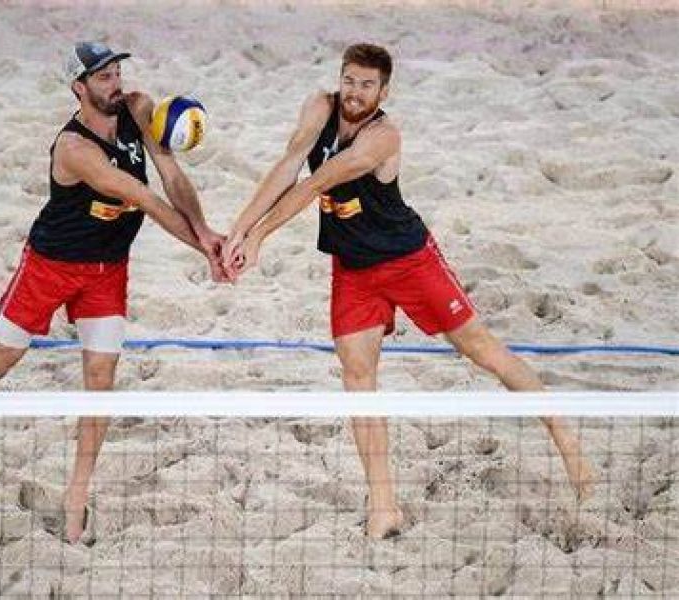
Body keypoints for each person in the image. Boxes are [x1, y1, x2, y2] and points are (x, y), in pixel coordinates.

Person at [222, 43, 596, 539]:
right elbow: (290, 163)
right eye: (349, 81)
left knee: (481, 349)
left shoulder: (383, 136)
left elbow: (315, 184)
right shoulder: (319, 106)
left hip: (408, 261)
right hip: (354, 269)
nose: (355, 92)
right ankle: (383, 508)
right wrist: (237, 231)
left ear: (383, 90)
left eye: (366, 85)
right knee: (358, 384)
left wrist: (259, 237)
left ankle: (568, 443)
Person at [0, 41, 227, 544]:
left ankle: (75, 500)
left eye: (115, 71)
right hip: (51, 266)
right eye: (102, 76)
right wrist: (206, 251)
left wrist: (206, 230)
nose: (115, 82)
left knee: (100, 378)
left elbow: (171, 175)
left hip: (107, 270)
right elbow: (147, 200)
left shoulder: (137, 108)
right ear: (79, 88)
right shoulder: (75, 149)